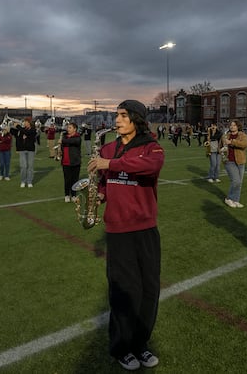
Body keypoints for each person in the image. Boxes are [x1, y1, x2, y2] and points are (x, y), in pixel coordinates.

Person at [87, 99, 164, 371]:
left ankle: (140, 345)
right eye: (116, 115)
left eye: (122, 116)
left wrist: (110, 163)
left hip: (145, 228)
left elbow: (149, 167)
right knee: (123, 291)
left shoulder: (151, 146)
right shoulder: (108, 147)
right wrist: (100, 194)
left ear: (136, 119)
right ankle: (122, 348)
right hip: (118, 230)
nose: (116, 120)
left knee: (149, 289)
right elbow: (109, 183)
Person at [221, 119, 247, 208]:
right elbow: (221, 146)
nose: (232, 126)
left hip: (240, 161)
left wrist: (232, 142)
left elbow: (245, 144)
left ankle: (236, 200)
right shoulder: (226, 135)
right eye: (231, 125)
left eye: (234, 125)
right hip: (229, 161)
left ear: (238, 126)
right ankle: (229, 198)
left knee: (239, 182)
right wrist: (222, 150)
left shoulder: (243, 135)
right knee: (236, 180)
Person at [11, 117, 37, 188]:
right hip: (22, 150)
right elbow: (14, 134)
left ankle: (29, 181)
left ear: (29, 123)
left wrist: (18, 126)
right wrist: (11, 125)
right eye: (24, 122)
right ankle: (23, 181)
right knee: (23, 166)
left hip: (30, 150)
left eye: (26, 122)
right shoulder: (21, 130)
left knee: (30, 167)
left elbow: (27, 133)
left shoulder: (33, 130)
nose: (24, 123)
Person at [60, 122, 82, 202]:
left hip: (75, 162)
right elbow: (63, 145)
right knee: (67, 180)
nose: (68, 129)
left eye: (70, 128)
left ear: (75, 129)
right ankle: (66, 195)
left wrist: (63, 140)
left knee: (75, 180)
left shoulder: (77, 137)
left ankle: (73, 195)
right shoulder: (65, 137)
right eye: (68, 127)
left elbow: (72, 142)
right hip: (66, 162)